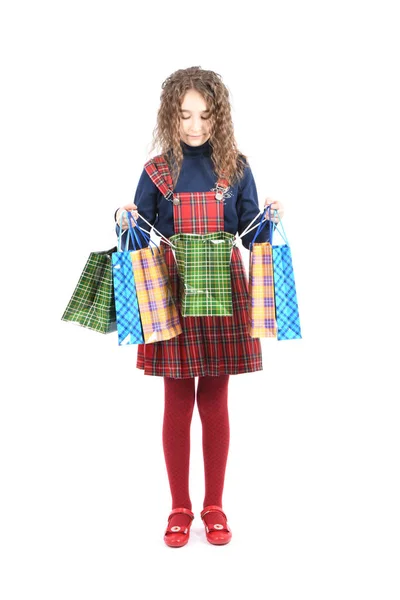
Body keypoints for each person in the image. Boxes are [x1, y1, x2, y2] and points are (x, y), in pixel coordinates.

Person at [114, 66, 285, 548]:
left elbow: (254, 235)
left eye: (205, 116)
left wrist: (270, 215)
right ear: (171, 114)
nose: (194, 126)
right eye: (185, 115)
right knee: (175, 402)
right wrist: (122, 216)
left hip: (224, 293)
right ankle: (179, 508)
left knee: (213, 400)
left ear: (219, 117)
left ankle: (214, 505)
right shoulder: (156, 170)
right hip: (171, 292)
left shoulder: (237, 167)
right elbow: (138, 235)